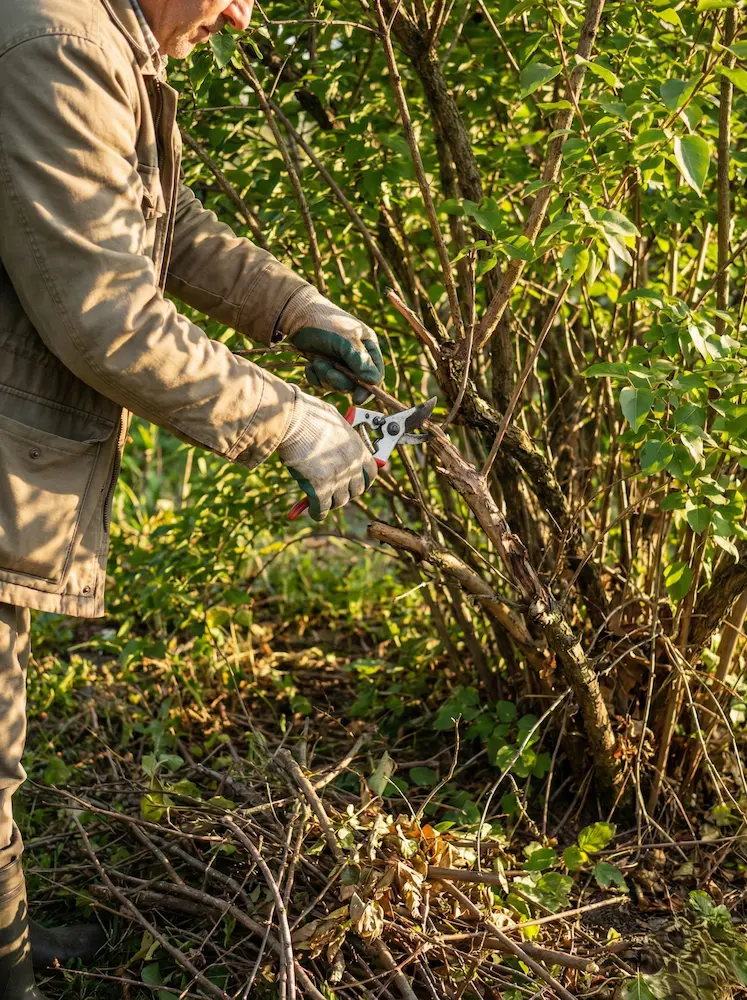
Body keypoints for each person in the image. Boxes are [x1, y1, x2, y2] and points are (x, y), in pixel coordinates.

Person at [0, 0, 386, 993]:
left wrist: (289, 306)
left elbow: (153, 222)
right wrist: (290, 422)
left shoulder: (93, 36)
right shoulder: (57, 41)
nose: (242, 12)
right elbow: (108, 316)